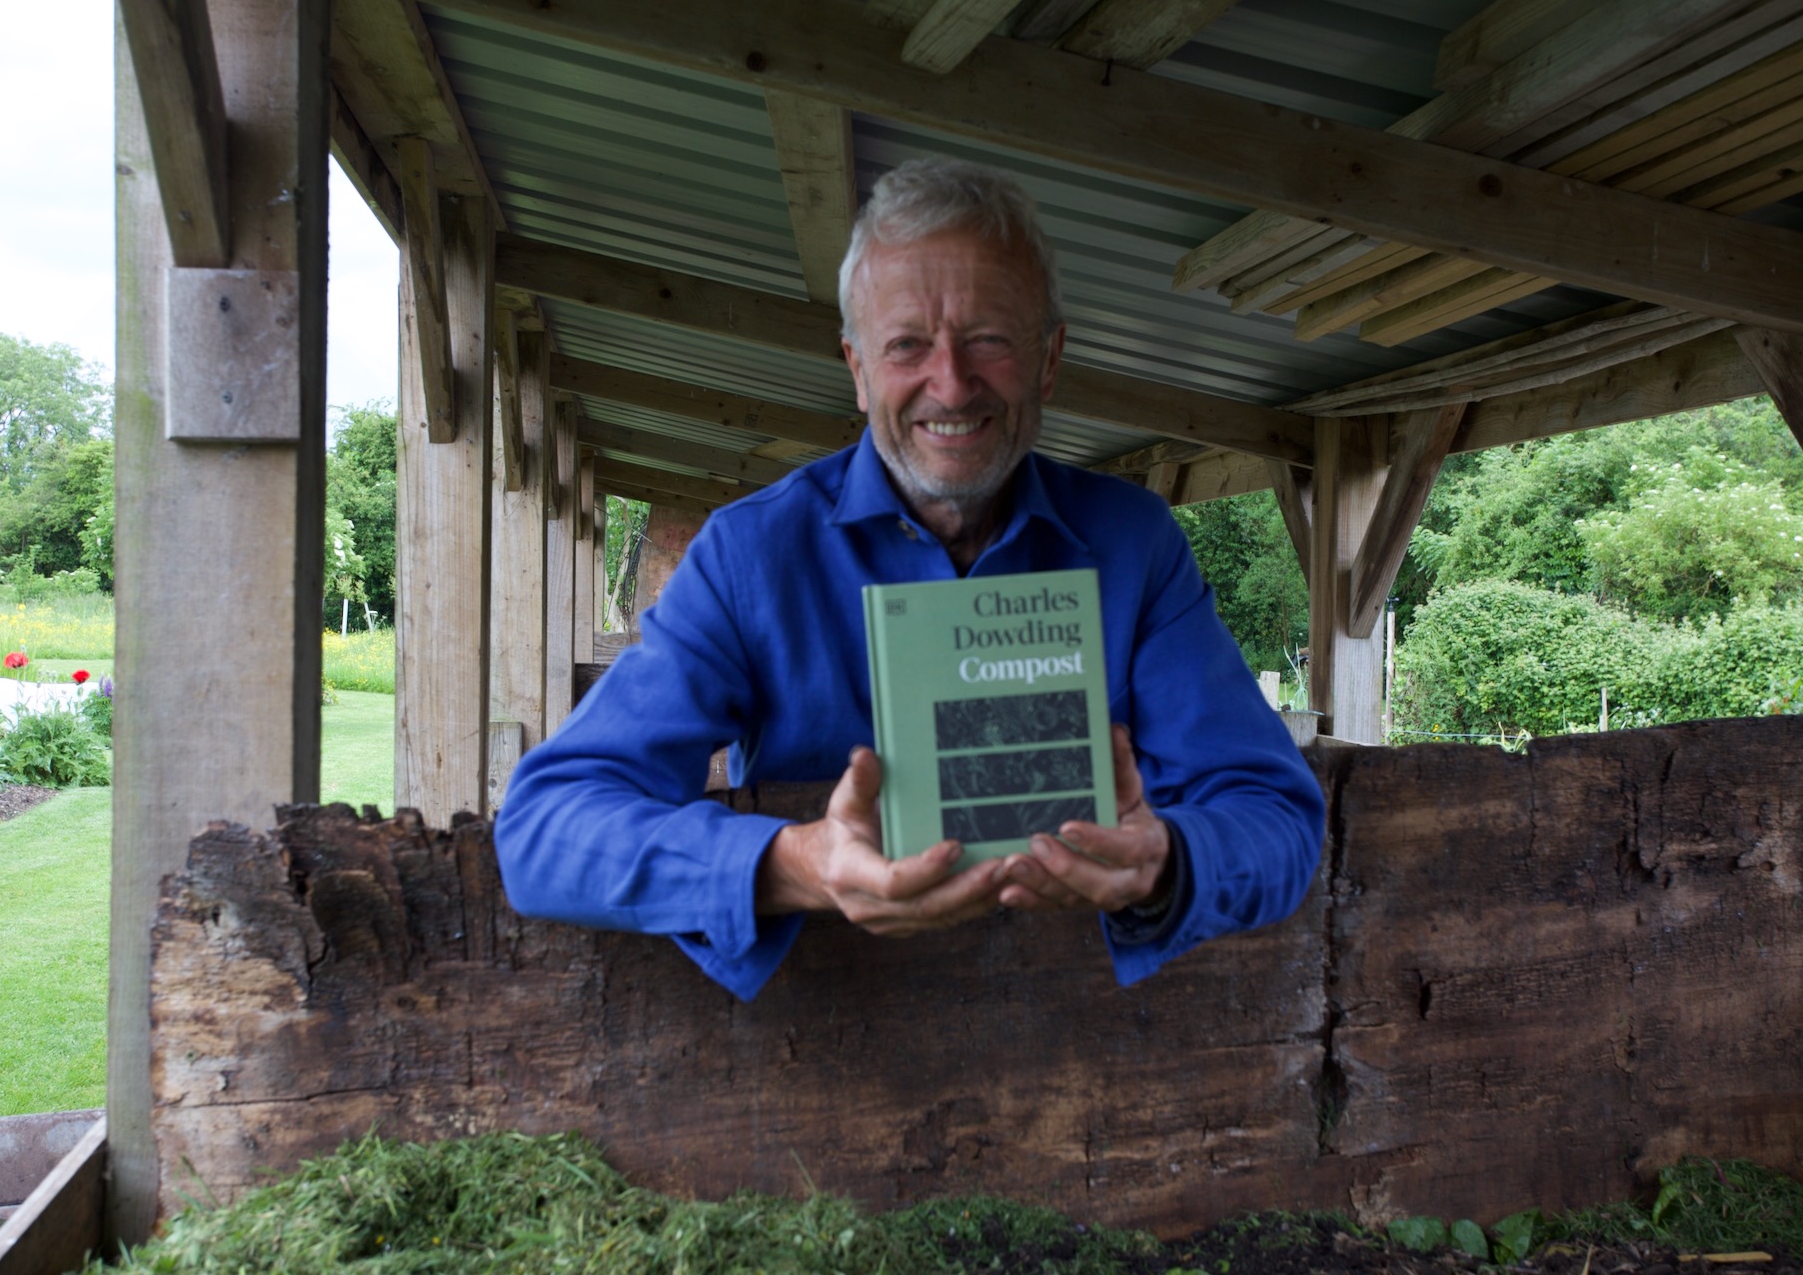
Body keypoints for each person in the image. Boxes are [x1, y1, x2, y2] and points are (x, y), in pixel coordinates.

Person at [495, 158, 1325, 1001]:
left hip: (1086, 1051)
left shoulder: (1133, 545)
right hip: (814, 1050)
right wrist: (792, 866)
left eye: (989, 339)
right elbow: (542, 832)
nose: (952, 382)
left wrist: (1166, 861)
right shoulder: (751, 555)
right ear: (857, 368)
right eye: (907, 346)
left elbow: (1278, 820)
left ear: (1048, 358)